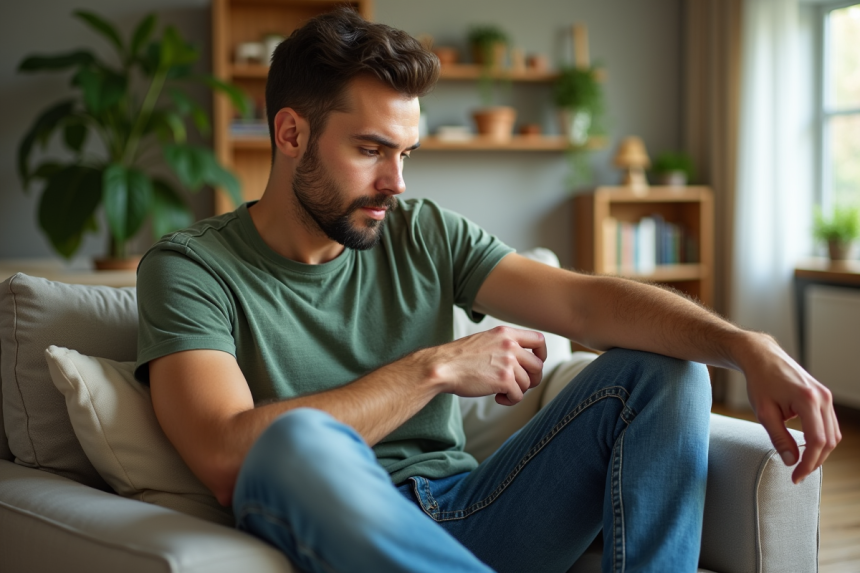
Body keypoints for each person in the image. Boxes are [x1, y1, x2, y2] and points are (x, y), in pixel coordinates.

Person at [134, 8, 840, 573]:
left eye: (406, 154)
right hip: (332, 508)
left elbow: (585, 303)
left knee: (668, 375)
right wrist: (437, 366)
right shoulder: (191, 268)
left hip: (470, 507)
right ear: (291, 133)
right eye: (371, 150)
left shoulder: (423, 230)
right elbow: (228, 459)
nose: (397, 183)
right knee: (293, 441)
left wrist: (746, 345)